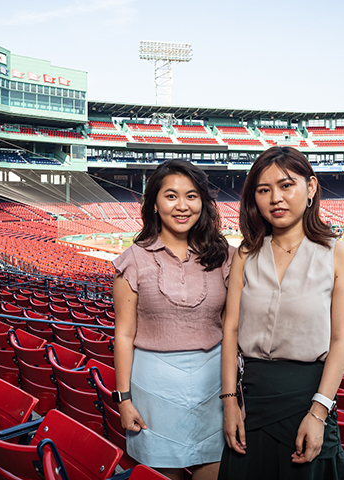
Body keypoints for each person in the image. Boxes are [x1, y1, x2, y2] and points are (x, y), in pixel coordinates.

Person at [219, 146, 344, 479]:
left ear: (310, 188)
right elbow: (230, 330)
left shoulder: (340, 255)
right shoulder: (245, 255)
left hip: (307, 402)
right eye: (263, 190)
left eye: (286, 186)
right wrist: (228, 403)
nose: (275, 198)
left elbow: (341, 339)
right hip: (250, 402)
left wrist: (318, 412)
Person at [113, 159, 234, 480]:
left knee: (216, 469)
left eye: (191, 196)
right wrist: (124, 399)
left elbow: (235, 326)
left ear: (203, 203)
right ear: (154, 202)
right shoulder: (133, 260)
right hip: (154, 385)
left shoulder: (225, 255)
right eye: (171, 196)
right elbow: (124, 334)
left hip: (215, 385)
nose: (182, 206)